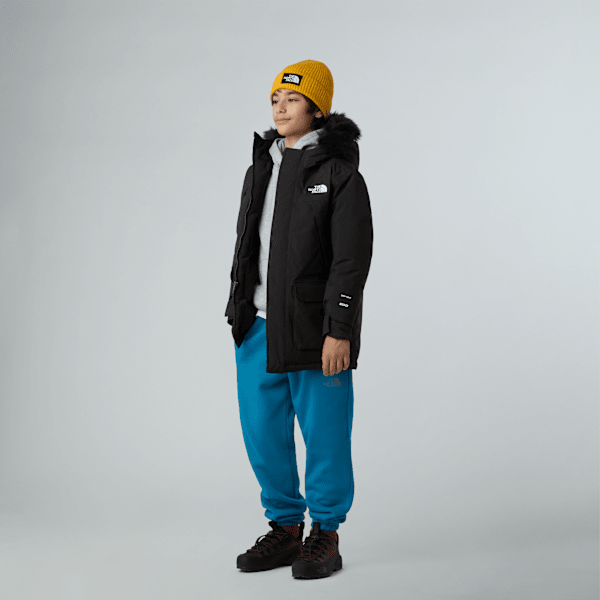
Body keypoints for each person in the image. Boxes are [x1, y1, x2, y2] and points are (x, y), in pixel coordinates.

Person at [225, 59, 374, 579]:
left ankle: (325, 533)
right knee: (262, 433)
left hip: (315, 332)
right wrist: (239, 312)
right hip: (259, 327)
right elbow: (248, 245)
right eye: (275, 99)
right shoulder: (261, 167)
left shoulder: (338, 175)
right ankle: (286, 528)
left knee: (325, 435)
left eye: (292, 99)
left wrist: (340, 330)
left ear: (317, 109)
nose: (280, 107)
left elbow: (350, 260)